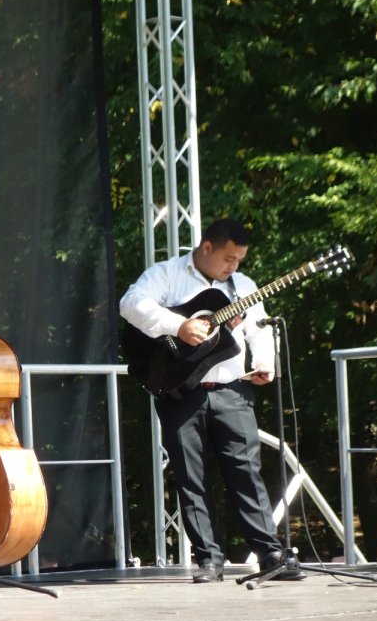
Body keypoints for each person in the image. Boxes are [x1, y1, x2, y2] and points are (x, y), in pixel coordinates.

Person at [119, 218, 299, 583]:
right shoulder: (167, 274)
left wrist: (264, 363)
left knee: (247, 472)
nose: (234, 266)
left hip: (232, 391)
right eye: (229, 258)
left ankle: (270, 552)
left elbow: (260, 329)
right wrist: (177, 326)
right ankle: (209, 560)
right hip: (180, 390)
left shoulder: (242, 286)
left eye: (239, 260)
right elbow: (130, 303)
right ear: (206, 248)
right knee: (191, 475)